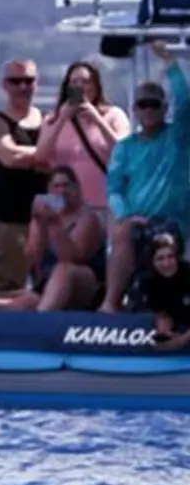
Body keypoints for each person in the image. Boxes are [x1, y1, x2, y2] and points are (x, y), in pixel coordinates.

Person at [99, 41, 190, 313]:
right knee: (124, 235)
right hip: (140, 220)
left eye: (154, 104)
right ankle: (110, 305)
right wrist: (125, 216)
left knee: (166, 241)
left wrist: (170, 64)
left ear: (164, 108)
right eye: (142, 105)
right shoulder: (125, 147)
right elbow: (114, 189)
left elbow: (185, 102)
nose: (148, 110)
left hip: (176, 221)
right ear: (135, 110)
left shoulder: (176, 138)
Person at [0, 58, 48, 294]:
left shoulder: (48, 121)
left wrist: (33, 156)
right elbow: (9, 157)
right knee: (8, 287)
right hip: (7, 220)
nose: (22, 87)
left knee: (47, 285)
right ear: (4, 85)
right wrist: (47, 154)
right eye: (15, 81)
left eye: (28, 81)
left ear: (36, 83)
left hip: (46, 217)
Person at [34, 61, 130, 210]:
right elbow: (41, 155)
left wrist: (97, 119)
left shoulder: (113, 115)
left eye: (86, 82)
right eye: (74, 82)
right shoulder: (52, 120)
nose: (80, 87)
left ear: (96, 86)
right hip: (64, 206)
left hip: (105, 203)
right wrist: (62, 119)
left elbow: (124, 151)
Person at [20, 165, 106, 312]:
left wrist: (55, 224)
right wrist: (40, 225)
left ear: (77, 189)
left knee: (63, 270)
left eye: (67, 186)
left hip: (85, 283)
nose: (62, 191)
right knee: (23, 303)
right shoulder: (42, 216)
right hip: (49, 283)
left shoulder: (87, 218)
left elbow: (71, 258)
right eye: (56, 186)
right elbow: (34, 259)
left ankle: (42, 320)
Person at [143, 228, 190, 349]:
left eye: (171, 257)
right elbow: (163, 315)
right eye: (160, 258)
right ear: (152, 262)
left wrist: (182, 341)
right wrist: (164, 333)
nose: (166, 264)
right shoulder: (151, 284)